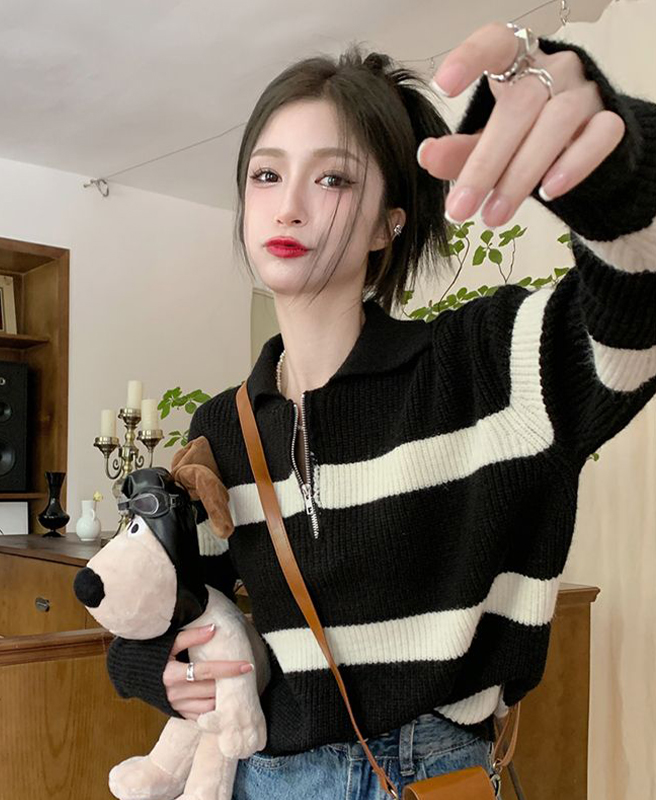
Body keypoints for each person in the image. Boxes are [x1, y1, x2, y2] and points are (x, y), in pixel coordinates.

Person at [107, 21, 656, 799]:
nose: (287, 206)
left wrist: (618, 169)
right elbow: (161, 598)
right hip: (270, 779)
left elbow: (635, 312)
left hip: (436, 772)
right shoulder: (223, 429)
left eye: (332, 179)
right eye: (266, 175)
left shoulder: (482, 365)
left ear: (387, 222)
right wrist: (151, 668)